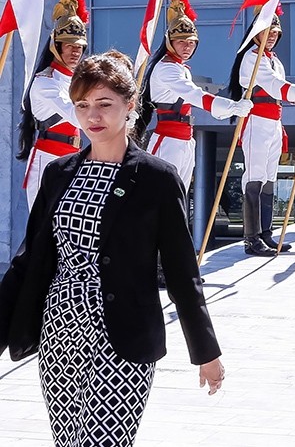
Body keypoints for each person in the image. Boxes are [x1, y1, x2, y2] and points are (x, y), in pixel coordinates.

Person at [0, 50, 224, 446]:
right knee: (68, 441)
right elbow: (27, 260)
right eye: (82, 105)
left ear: (130, 104)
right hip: (60, 336)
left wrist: (205, 350)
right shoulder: (58, 173)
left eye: (104, 104)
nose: (92, 116)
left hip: (123, 338)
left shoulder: (157, 178)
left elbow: (181, 272)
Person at [138, 0, 253, 189]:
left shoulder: (180, 68)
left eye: (191, 43)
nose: (187, 47)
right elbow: (193, 94)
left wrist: (228, 109)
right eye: (181, 41)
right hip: (168, 140)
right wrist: (231, 107)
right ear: (169, 42)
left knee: (179, 196)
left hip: (184, 139)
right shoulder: (166, 68)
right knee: (161, 195)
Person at [228, 5, 295, 256]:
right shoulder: (252, 57)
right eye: (267, 31)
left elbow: (277, 88)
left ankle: (265, 233)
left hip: (273, 122)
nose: (272, 35)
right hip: (257, 122)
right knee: (255, 177)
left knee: (270, 178)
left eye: (275, 32)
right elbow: (273, 85)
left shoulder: (274, 60)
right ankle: (251, 238)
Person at [18, 0, 87, 209]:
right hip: (49, 159)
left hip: (74, 158)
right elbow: (76, 115)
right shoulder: (44, 82)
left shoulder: (79, 80)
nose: (75, 51)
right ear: (56, 46)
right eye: (68, 45)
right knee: (44, 228)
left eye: (79, 46)